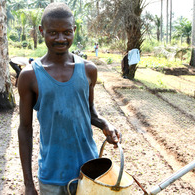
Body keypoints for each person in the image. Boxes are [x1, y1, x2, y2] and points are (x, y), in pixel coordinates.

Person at [17, 3, 121, 195]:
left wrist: (106, 124)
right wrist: (28, 184)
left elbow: (90, 113)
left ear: (74, 30)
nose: (60, 38)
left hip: (90, 172)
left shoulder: (89, 70)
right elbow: (25, 129)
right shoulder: (29, 76)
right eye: (53, 33)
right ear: (42, 31)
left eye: (66, 32)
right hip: (52, 175)